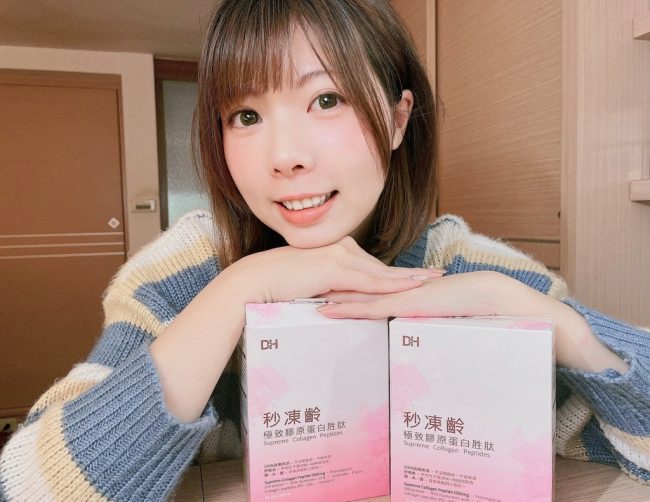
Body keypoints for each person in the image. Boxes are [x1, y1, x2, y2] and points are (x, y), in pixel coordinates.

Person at [1, 0, 649, 499]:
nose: (285, 156)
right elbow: (29, 486)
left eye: (326, 99)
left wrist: (528, 309)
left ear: (397, 120)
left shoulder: (463, 263)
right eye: (246, 116)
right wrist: (240, 288)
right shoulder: (185, 270)